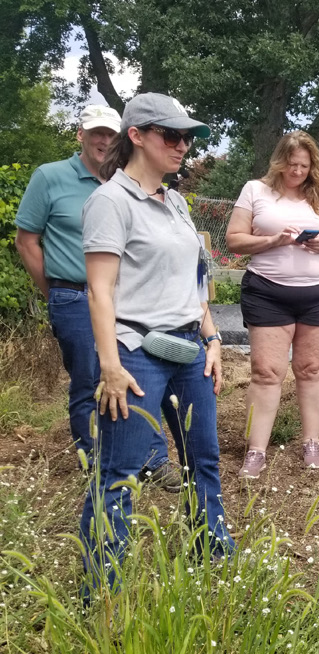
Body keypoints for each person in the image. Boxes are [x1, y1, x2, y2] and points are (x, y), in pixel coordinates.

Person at [79, 93, 235, 595]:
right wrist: (109, 366)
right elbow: (99, 289)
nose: (184, 145)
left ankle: (212, 552)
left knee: (203, 458)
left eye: (188, 137)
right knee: (120, 471)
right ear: (136, 136)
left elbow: (194, 280)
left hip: (191, 350)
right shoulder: (110, 202)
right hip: (136, 352)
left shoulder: (178, 202)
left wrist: (211, 336)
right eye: (172, 135)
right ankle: (104, 588)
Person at [14, 105, 181, 491]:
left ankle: (153, 458)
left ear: (123, 137)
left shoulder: (131, 182)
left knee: (141, 375)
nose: (104, 140)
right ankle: (97, 462)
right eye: (96, 134)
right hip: (74, 295)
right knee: (90, 379)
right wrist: (55, 291)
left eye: (111, 134)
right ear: (81, 136)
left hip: (130, 299)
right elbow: (27, 241)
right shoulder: (51, 177)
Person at [225, 131, 319, 478]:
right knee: (266, 373)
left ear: (313, 167)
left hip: (318, 292)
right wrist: (273, 240)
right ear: (279, 162)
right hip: (267, 291)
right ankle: (256, 449)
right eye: (291, 164)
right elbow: (234, 240)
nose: (297, 172)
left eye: (304, 166)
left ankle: (311, 441)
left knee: (311, 370)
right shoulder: (255, 191)